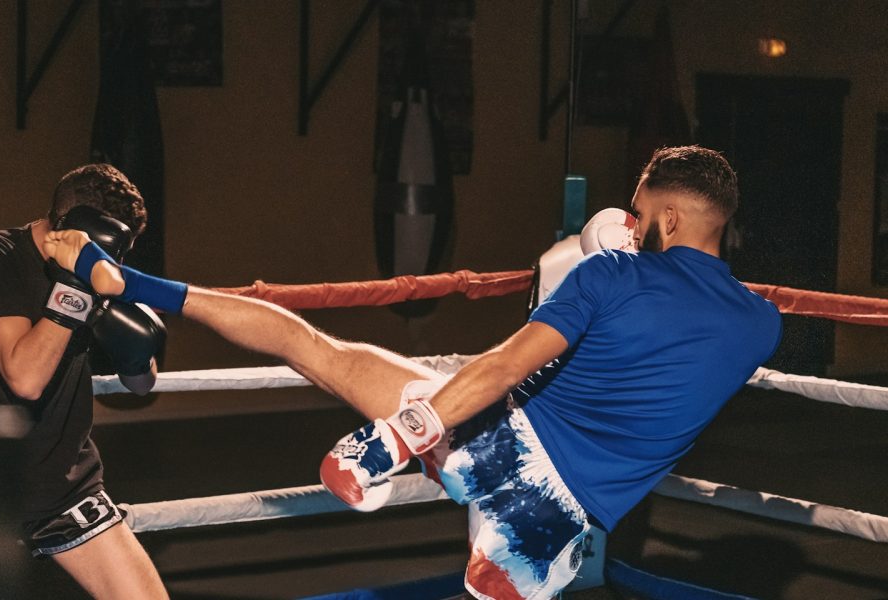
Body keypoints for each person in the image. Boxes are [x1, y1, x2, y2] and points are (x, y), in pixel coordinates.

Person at [44, 146, 782, 600]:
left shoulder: (614, 274)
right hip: (564, 519)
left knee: (312, 348)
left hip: (496, 445)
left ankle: (132, 281)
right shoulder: (760, 326)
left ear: (672, 220)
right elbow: (657, 367)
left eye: (644, 211)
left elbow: (501, 366)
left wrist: (405, 432)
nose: (633, 223)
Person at [0, 164, 170, 599]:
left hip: (67, 486)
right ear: (72, 228)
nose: (115, 263)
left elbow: (141, 386)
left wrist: (136, 349)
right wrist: (76, 289)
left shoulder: (98, 270)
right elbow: (25, 377)